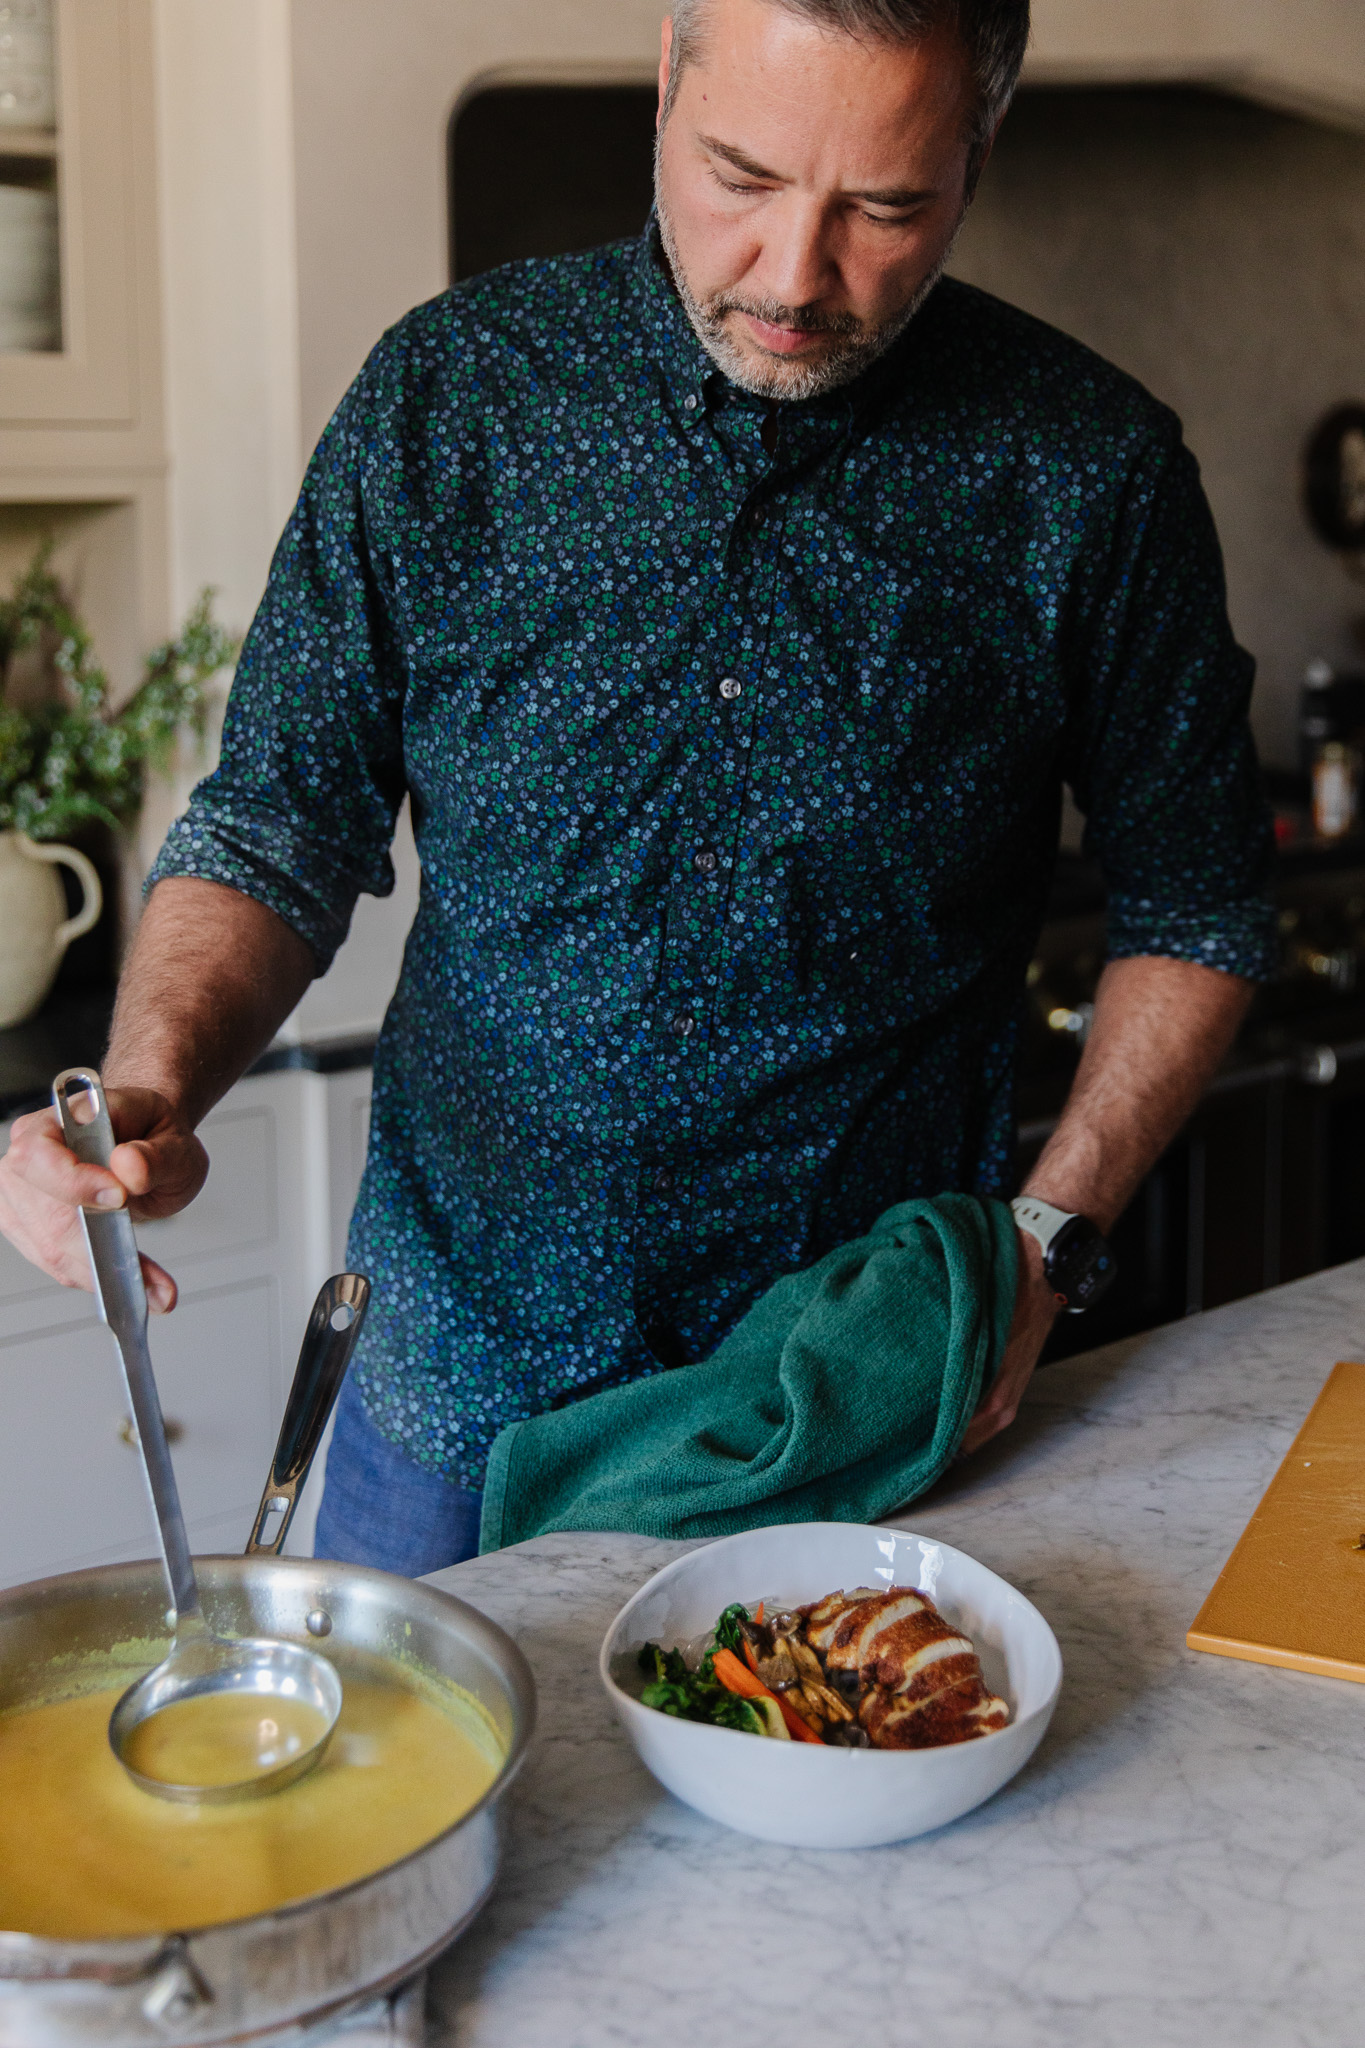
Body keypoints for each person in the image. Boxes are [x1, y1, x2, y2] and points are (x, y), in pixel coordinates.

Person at [0, 0, 1273, 1574]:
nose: (795, 275)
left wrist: (1048, 1237)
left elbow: (1197, 905)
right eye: (739, 173)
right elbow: (277, 822)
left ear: (974, 157)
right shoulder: (449, 397)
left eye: (881, 208)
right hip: (457, 1392)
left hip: (843, 1391)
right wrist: (148, 1091)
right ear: (665, 87)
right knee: (441, 1827)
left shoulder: (1088, 472)